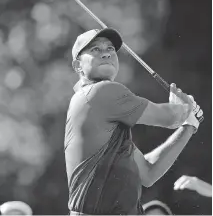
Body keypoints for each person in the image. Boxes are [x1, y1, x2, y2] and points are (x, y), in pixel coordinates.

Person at [64, 28, 204, 215]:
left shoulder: (113, 130)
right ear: (77, 66)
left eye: (111, 48)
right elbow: (170, 117)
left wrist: (188, 126)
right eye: (95, 49)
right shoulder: (101, 91)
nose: (106, 53)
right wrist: (186, 106)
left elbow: (148, 172)